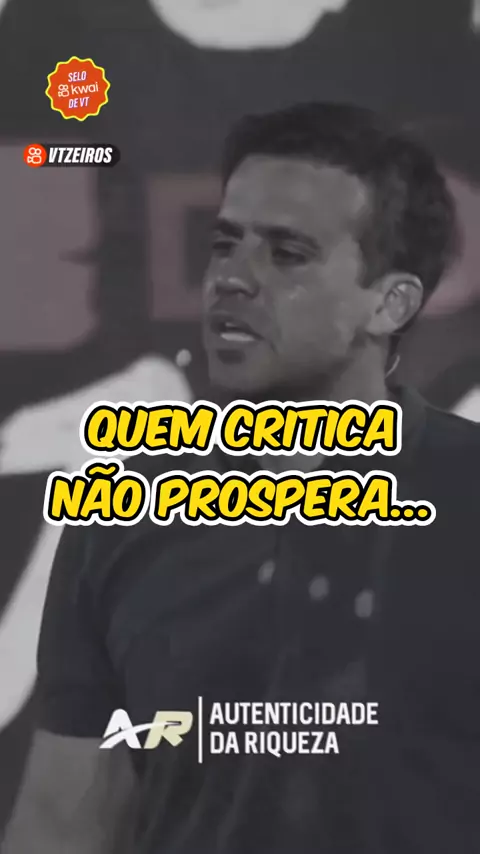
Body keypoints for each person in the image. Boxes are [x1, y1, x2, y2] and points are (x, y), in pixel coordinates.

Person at [3, 101, 480, 854]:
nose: (231, 278)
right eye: (225, 244)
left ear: (390, 303)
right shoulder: (125, 509)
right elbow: (62, 820)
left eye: (286, 254)